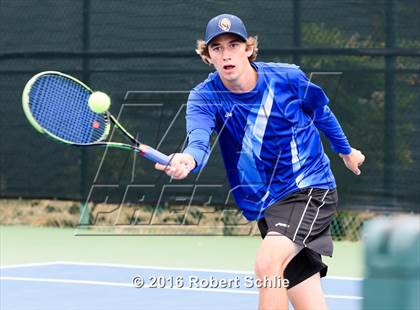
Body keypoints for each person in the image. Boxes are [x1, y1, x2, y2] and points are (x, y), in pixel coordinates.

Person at [155, 13, 365, 309]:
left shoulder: (287, 78)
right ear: (208, 56)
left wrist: (345, 151)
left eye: (233, 45)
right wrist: (187, 160)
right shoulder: (203, 97)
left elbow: (321, 113)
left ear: (248, 49)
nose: (226, 54)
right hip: (268, 203)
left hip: (310, 188)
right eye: (217, 48)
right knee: (308, 301)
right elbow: (198, 142)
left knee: (267, 265)